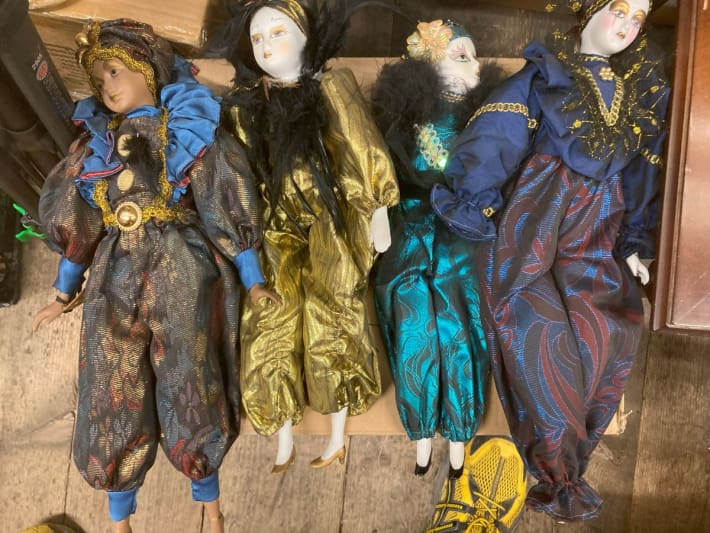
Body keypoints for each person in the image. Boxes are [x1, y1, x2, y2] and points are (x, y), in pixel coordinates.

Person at [32, 19, 277, 533]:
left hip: (179, 264)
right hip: (114, 273)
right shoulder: (96, 146)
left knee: (191, 372)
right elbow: (81, 224)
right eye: (100, 80)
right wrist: (62, 290)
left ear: (146, 70)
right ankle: (119, 514)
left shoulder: (183, 128)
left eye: (115, 72)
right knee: (110, 380)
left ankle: (210, 502)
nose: (108, 87)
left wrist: (252, 277)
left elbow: (223, 198)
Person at [430, 0, 669, 521]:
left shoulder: (642, 90)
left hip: (601, 225)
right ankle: (556, 463)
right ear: (589, 11)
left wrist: (636, 239)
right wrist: (475, 200)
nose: (627, 26)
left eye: (638, 19)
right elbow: (498, 136)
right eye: (619, 10)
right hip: (541, 215)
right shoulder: (545, 75)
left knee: (604, 334)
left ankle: (563, 463)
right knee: (532, 324)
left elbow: (643, 172)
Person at [207, 0, 399, 472]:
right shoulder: (246, 106)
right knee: (270, 314)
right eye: (258, 38)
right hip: (275, 219)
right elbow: (241, 171)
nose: (267, 46)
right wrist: (241, 230)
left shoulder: (331, 88)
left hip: (329, 214)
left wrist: (377, 206)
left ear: (306, 36)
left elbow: (359, 143)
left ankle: (336, 430)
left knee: (332, 305)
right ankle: (282, 430)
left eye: (278, 32)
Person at [371, 19, 505, 479]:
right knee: (412, 324)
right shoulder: (401, 115)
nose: (473, 65)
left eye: (473, 56)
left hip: (462, 228)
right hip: (410, 222)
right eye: (459, 54)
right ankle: (421, 429)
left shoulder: (486, 117)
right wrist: (377, 209)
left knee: (460, 326)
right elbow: (378, 163)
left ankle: (460, 430)